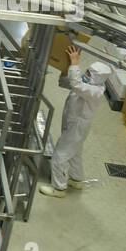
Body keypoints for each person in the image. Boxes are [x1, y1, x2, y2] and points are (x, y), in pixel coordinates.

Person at [39, 48, 112, 197]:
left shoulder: (95, 91)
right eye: (87, 71)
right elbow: (67, 82)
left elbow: (77, 85)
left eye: (89, 74)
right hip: (73, 122)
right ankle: (77, 179)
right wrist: (66, 68)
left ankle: (59, 188)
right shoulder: (84, 83)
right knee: (75, 153)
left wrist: (74, 64)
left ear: (98, 78)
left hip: (77, 126)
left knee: (60, 155)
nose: (86, 75)